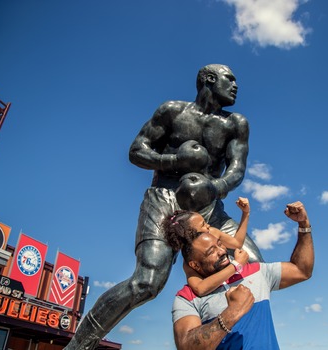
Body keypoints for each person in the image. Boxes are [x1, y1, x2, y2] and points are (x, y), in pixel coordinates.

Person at [65, 64, 263, 349]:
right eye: (229, 78)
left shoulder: (236, 124)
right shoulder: (172, 111)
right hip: (166, 199)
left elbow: (236, 170)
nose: (236, 85)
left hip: (208, 206)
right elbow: (137, 151)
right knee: (147, 282)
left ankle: (218, 340)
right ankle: (78, 347)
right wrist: (175, 162)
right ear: (209, 79)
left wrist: (213, 188)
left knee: (255, 267)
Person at [164, 201, 314, 350]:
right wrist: (232, 312)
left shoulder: (256, 271)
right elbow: (186, 346)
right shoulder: (187, 297)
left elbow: (301, 270)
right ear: (194, 265)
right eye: (211, 251)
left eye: (220, 244)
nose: (222, 251)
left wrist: (303, 225)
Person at [165, 197, 251, 297]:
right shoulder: (190, 262)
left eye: (205, 222)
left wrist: (246, 213)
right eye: (203, 225)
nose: (208, 225)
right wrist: (236, 265)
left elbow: (237, 243)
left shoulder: (213, 232)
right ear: (191, 234)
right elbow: (200, 289)